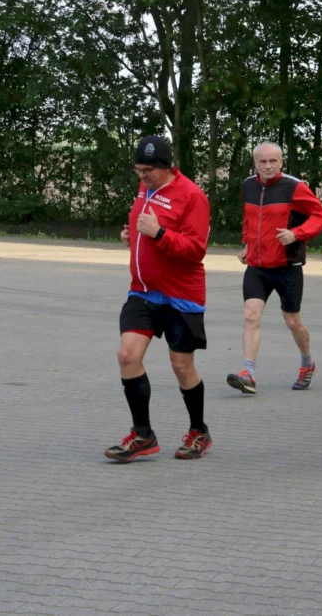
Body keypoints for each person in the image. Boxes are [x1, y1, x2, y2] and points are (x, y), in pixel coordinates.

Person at [105, 135, 213, 462]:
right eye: (138, 170)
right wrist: (133, 236)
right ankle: (142, 435)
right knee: (127, 355)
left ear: (166, 167)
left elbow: (196, 250)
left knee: (182, 365)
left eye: (149, 170)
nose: (143, 176)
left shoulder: (192, 196)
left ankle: (199, 431)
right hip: (142, 290)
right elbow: (145, 226)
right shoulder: (144, 188)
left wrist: (159, 234)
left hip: (181, 295)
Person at [227, 142, 322, 395]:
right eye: (263, 161)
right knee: (251, 316)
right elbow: (250, 219)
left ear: (281, 162)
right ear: (255, 163)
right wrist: (245, 245)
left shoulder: (295, 187)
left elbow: (321, 216)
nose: (268, 166)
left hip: (287, 265)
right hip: (257, 266)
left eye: (273, 161)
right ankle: (248, 373)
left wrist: (297, 234)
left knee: (293, 321)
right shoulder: (248, 186)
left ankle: (307, 363)